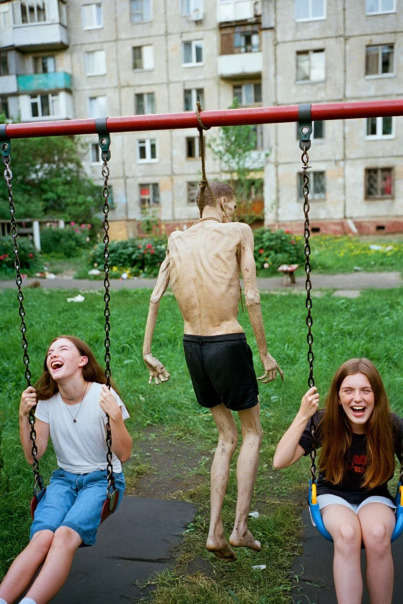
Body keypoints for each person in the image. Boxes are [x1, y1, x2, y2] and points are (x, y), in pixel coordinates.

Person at [143, 181, 283, 562]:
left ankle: (214, 532)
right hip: (227, 343)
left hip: (194, 347)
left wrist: (147, 351)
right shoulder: (238, 232)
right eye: (233, 205)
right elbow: (251, 295)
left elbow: (155, 296)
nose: (234, 212)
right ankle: (239, 528)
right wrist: (264, 353)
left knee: (225, 437)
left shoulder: (176, 239)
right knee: (252, 432)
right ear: (222, 202)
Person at [0, 335, 132, 604]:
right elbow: (33, 456)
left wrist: (115, 416)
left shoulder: (102, 395)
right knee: (41, 538)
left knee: (64, 536)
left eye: (62, 349)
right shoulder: (48, 402)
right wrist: (23, 417)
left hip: (102, 480)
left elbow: (124, 454)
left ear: (82, 361)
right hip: (63, 481)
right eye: (50, 352)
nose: (53, 354)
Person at [273, 358, 402, 604]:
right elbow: (280, 460)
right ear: (338, 397)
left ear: (377, 395)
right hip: (333, 495)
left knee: (377, 534)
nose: (357, 398)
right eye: (348, 390)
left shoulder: (390, 425)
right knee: (347, 532)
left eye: (366, 390)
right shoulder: (326, 422)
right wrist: (303, 415)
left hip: (374, 496)